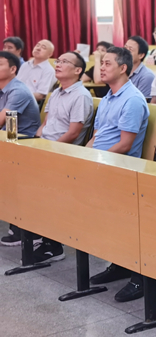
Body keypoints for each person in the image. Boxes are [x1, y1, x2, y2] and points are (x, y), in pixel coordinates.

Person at [87, 47, 150, 301]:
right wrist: (83, 156)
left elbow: (125, 145)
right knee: (106, 221)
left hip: (122, 168)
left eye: (107, 63)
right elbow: (96, 136)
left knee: (125, 222)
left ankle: (139, 277)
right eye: (101, 63)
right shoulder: (109, 97)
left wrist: (97, 161)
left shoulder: (132, 99)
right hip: (102, 163)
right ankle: (119, 264)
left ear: (123, 68)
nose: (101, 68)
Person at [30, 51, 94, 262]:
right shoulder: (56, 92)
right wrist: (36, 143)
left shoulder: (81, 95)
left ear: (77, 71)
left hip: (65, 154)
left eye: (64, 62)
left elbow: (74, 132)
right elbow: (46, 124)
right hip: (47, 148)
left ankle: (53, 246)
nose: (58, 64)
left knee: (48, 193)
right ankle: (35, 231)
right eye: (58, 61)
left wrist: (49, 150)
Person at [0, 51, 42, 247]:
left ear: (13, 69)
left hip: (25, 144)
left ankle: (25, 227)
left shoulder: (17, 91)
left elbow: (8, 126)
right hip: (9, 140)